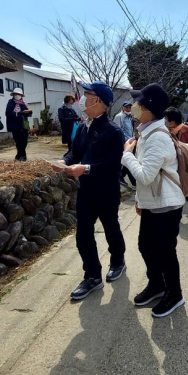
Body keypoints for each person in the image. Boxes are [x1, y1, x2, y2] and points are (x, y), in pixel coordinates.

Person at [55, 81, 126, 300]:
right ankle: (92, 276)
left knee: (110, 228)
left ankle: (117, 261)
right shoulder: (85, 126)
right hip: (86, 190)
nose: (82, 99)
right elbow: (73, 152)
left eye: (86, 95)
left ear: (98, 101)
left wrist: (85, 168)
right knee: (83, 233)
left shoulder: (113, 131)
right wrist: (62, 161)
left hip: (106, 190)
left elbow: (115, 166)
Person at [122, 83, 187, 318]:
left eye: (138, 103)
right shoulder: (146, 131)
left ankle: (174, 293)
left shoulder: (157, 137)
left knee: (165, 251)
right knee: (146, 246)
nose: (134, 106)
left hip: (166, 205)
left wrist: (126, 154)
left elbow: (145, 175)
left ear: (148, 108)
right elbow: (146, 178)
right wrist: (140, 200)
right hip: (153, 203)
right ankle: (157, 285)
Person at [165, 107, 188, 214]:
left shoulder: (186, 129)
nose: (164, 121)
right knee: (173, 187)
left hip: (184, 163)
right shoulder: (165, 131)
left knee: (186, 187)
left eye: (166, 119)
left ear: (172, 121)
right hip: (171, 162)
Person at [114, 101, 137, 189]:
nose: (128, 109)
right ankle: (131, 181)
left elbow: (131, 129)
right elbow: (117, 130)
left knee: (128, 161)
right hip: (124, 142)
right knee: (128, 160)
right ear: (123, 108)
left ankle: (122, 176)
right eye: (126, 107)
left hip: (131, 141)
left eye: (129, 107)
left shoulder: (130, 117)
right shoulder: (119, 117)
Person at [5, 88, 32, 161]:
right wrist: (17, 113)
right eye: (16, 94)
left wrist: (28, 113)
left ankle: (18, 155)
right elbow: (7, 113)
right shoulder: (11, 102)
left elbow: (27, 113)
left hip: (23, 124)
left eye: (19, 94)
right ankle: (23, 156)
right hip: (15, 125)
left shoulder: (24, 103)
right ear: (13, 95)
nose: (17, 96)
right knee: (19, 141)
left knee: (25, 141)